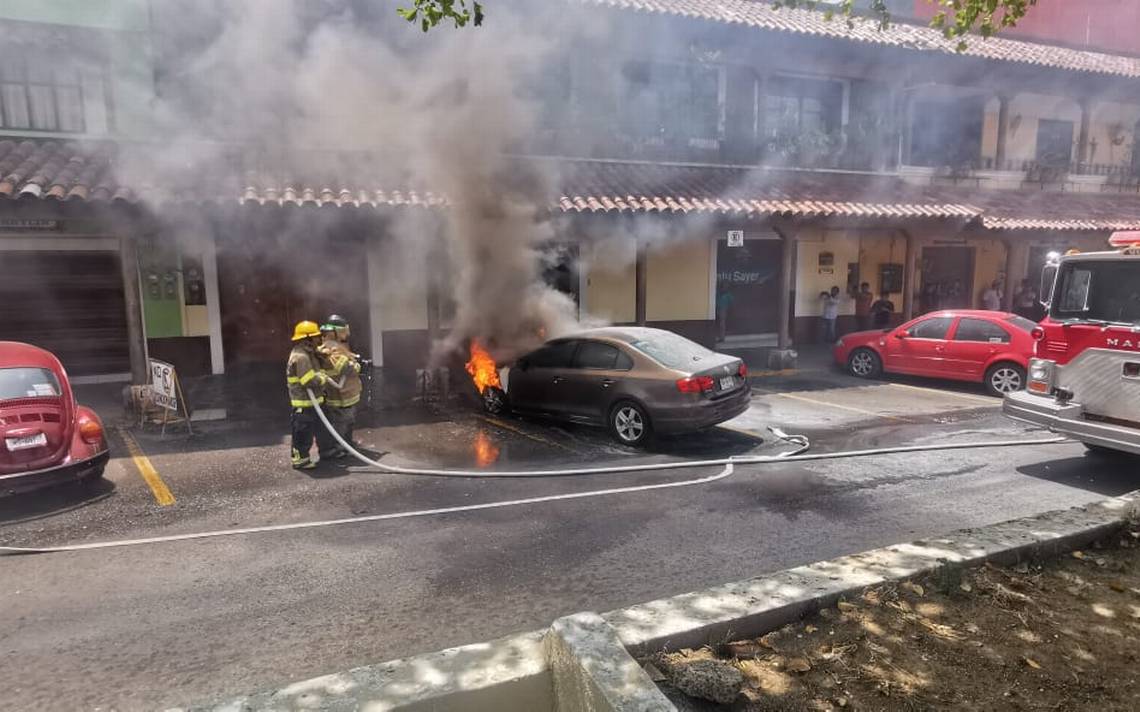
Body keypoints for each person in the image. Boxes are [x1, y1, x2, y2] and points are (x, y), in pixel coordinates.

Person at [286, 320, 336, 470]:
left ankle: (327, 452)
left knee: (323, 429)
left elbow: (324, 366)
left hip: (316, 402)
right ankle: (300, 459)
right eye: (316, 337)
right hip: (304, 404)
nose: (320, 339)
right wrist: (323, 379)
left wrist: (322, 356)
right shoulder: (300, 357)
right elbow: (308, 380)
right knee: (303, 434)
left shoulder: (310, 353)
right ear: (308, 339)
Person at [319, 314, 363, 450]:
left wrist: (353, 358)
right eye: (343, 331)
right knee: (341, 422)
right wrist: (356, 365)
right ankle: (339, 446)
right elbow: (343, 367)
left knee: (348, 421)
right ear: (335, 332)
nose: (345, 334)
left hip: (345, 394)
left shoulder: (335, 345)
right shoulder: (331, 347)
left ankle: (346, 444)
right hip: (340, 395)